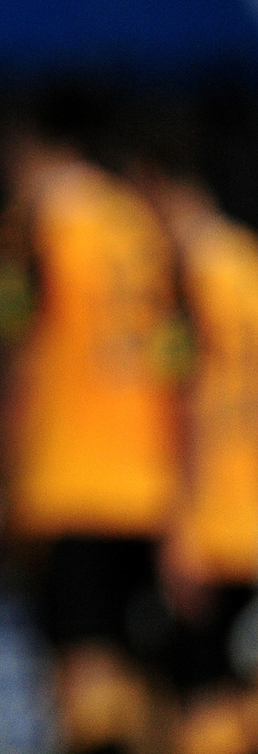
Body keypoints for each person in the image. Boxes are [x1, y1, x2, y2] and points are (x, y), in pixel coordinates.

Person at [0, 97, 179, 754]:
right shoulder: (145, 225)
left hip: (67, 479)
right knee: (133, 668)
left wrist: (3, 471)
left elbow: (17, 350)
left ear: (31, 151)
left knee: (80, 668)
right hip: (148, 483)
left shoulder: (33, 222)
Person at [134, 148, 258, 754]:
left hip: (213, 522)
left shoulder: (183, 273)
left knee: (196, 702)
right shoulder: (248, 263)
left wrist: (181, 522)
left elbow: (186, 401)